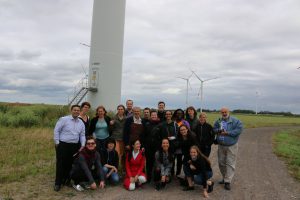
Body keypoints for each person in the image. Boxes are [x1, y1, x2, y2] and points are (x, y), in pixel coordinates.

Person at [53, 105, 86, 191]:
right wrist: (57, 142)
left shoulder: (81, 122)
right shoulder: (64, 119)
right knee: (60, 164)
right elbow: (56, 130)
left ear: (80, 112)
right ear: (71, 110)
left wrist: (83, 144)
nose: (76, 111)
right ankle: (58, 183)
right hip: (63, 145)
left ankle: (66, 180)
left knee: (69, 164)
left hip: (74, 146)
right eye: (74, 110)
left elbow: (82, 134)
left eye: (78, 110)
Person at [213, 107, 243, 190]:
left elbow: (239, 130)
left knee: (230, 163)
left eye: (225, 112)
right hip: (221, 145)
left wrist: (228, 133)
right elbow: (214, 129)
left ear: (229, 112)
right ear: (220, 113)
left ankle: (227, 181)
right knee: (221, 162)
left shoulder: (236, 121)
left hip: (231, 145)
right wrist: (218, 130)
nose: (224, 113)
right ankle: (224, 177)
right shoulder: (218, 121)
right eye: (222, 112)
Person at [143, 110, 160, 182]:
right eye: (152, 115)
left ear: (157, 116)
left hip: (157, 146)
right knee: (149, 163)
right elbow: (143, 136)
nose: (153, 116)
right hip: (148, 146)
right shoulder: (147, 124)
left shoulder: (160, 124)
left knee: (156, 162)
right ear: (150, 116)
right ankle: (148, 177)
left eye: (155, 115)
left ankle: (156, 178)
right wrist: (143, 146)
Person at [172, 109, 190, 176]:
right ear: (175, 114)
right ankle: (172, 173)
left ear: (183, 114)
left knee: (179, 160)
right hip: (173, 144)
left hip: (181, 145)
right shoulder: (173, 122)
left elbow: (188, 133)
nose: (179, 114)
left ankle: (178, 173)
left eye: (180, 113)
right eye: (177, 113)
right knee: (172, 160)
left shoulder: (185, 123)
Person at [110, 104, 126, 172]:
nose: (120, 110)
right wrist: (111, 124)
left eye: (121, 109)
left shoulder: (126, 118)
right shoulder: (114, 118)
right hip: (115, 138)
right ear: (117, 110)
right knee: (116, 154)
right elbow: (111, 129)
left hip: (123, 138)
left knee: (122, 154)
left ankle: (123, 169)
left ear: (124, 110)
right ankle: (114, 169)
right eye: (119, 109)